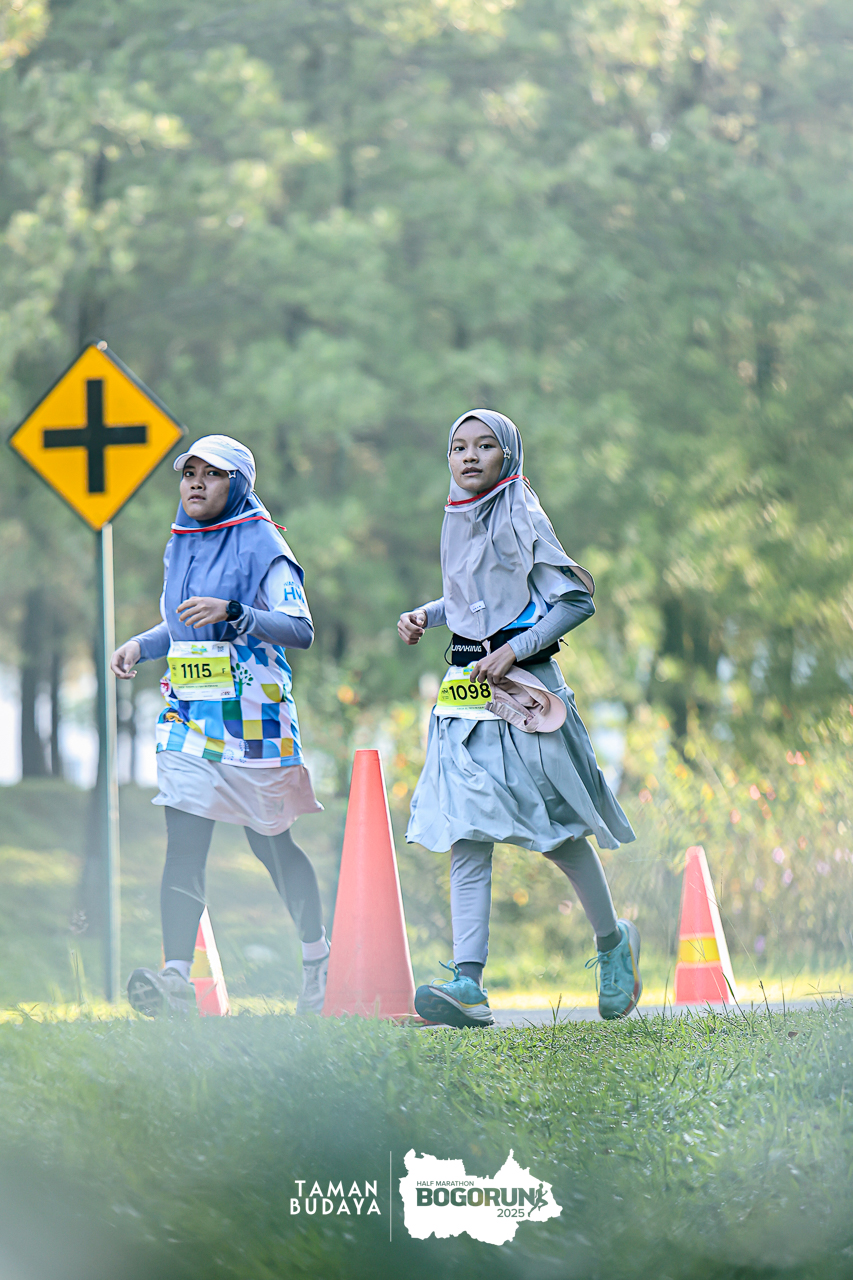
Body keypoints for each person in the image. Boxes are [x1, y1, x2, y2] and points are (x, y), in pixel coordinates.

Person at [398, 410, 641, 1028]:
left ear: (508, 455)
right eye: (458, 446)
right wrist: (427, 615)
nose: (469, 456)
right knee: (466, 832)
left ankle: (614, 945)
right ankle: (468, 985)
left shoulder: (522, 512)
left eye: (485, 446)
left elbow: (574, 599)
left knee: (558, 834)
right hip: (465, 702)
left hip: (528, 698)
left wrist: (516, 649)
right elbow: (474, 601)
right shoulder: (456, 516)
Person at [110, 435, 329, 1017]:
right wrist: (140, 645)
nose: (197, 484)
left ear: (240, 484)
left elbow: (300, 627)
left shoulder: (263, 542)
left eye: (213, 474)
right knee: (183, 842)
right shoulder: (181, 540)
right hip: (190, 714)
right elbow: (183, 623)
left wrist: (236, 612)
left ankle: (318, 960)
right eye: (190, 474)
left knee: (271, 844)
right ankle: (176, 979)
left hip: (254, 717)